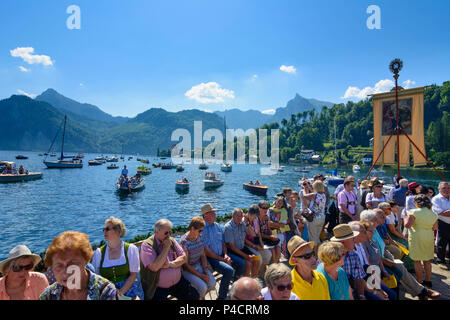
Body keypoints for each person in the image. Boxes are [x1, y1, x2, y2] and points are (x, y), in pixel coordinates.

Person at [359, 218, 440, 300]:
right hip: (375, 268)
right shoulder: (364, 243)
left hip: (381, 263)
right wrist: (385, 266)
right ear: (364, 232)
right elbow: (369, 264)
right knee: (399, 270)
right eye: (379, 217)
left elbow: (380, 252)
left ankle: (421, 291)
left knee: (400, 268)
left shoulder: (373, 236)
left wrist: (386, 267)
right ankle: (422, 291)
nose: (382, 219)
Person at [39, 231, 117, 300]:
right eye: (59, 265)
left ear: (86, 260)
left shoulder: (105, 291)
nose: (66, 272)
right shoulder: (49, 294)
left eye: (72, 264)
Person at [139, 219, 199, 300]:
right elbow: (154, 267)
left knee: (194, 295)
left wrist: (170, 264)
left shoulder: (171, 240)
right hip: (157, 287)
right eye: (166, 233)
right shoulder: (147, 245)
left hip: (177, 282)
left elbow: (184, 257)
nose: (168, 235)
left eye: (169, 232)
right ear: (156, 232)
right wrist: (166, 247)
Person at [330, 224, 388, 300]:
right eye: (352, 238)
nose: (355, 240)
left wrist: (361, 296)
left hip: (353, 291)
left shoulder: (353, 254)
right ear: (343, 242)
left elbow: (359, 279)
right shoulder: (330, 257)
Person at [91, 217, 144, 300]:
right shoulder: (99, 253)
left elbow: (133, 274)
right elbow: (97, 277)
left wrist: (121, 292)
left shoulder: (130, 249)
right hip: (107, 291)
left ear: (117, 231)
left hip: (129, 289)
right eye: (104, 229)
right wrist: (111, 292)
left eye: (107, 229)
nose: (104, 231)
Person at [348, 222, 398, 300]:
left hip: (368, 278)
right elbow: (358, 278)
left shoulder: (360, 245)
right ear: (356, 234)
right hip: (360, 284)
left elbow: (369, 268)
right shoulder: (352, 250)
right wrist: (376, 291)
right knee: (387, 296)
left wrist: (379, 286)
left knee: (392, 294)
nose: (366, 234)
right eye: (364, 232)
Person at [201, 203, 241, 300]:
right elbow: (206, 251)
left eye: (214, 212)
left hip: (222, 255)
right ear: (205, 215)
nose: (214, 214)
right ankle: (222, 297)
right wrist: (222, 259)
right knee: (228, 270)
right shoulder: (202, 229)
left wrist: (226, 255)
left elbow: (223, 243)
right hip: (211, 258)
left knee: (241, 263)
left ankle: (235, 290)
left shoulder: (217, 226)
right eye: (211, 213)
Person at [405, 194, 439, 287]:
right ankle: (428, 280)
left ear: (417, 202)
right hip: (428, 236)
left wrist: (405, 219)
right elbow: (435, 227)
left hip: (417, 236)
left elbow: (408, 225)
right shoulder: (433, 214)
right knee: (427, 260)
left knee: (417, 260)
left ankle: (419, 281)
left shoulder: (413, 212)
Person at [179, 216, 216, 299]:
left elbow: (203, 255)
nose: (201, 233)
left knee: (212, 283)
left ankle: (200, 297)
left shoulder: (199, 238)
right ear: (192, 228)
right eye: (199, 231)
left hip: (198, 265)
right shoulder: (184, 242)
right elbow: (185, 265)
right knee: (203, 287)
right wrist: (200, 276)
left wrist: (205, 270)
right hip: (188, 270)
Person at [287, 235, 330, 300]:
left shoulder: (321, 278)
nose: (314, 258)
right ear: (294, 260)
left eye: (313, 253)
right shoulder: (287, 285)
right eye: (307, 256)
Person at [224, 208, 259, 278]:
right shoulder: (228, 227)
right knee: (248, 263)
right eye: (238, 216)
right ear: (233, 216)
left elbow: (253, 235)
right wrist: (246, 256)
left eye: (241, 216)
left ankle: (253, 279)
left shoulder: (242, 224)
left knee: (257, 259)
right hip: (233, 251)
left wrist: (248, 224)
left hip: (242, 248)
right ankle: (244, 283)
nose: (240, 218)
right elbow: (232, 247)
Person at [244, 205, 272, 276]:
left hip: (256, 242)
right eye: (255, 216)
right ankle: (254, 276)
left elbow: (258, 233)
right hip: (248, 244)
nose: (256, 218)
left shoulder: (255, 220)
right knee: (259, 258)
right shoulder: (244, 222)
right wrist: (254, 246)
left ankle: (259, 274)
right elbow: (244, 239)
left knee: (268, 254)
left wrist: (261, 243)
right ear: (249, 214)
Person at [301, 180, 327, 253]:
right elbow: (313, 192)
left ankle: (315, 255)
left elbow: (305, 196)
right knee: (317, 237)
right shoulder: (323, 195)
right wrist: (308, 187)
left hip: (313, 218)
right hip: (321, 218)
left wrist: (304, 189)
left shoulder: (314, 195)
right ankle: (319, 254)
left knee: (312, 238)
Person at [431, 182, 450, 267]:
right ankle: (440, 260)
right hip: (442, 223)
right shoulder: (436, 199)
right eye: (444, 188)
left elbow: (445, 212)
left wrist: (446, 212)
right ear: (439, 189)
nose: (447, 190)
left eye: (448, 188)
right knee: (442, 241)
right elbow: (440, 212)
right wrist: (444, 213)